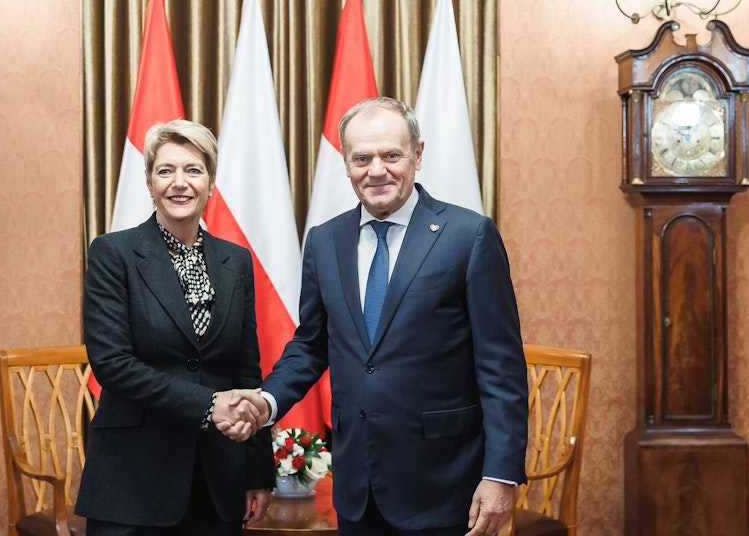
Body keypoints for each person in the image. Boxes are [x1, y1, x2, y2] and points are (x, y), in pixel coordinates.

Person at [223, 97, 529, 536]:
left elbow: (501, 367)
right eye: (362, 158)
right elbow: (311, 345)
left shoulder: (469, 236)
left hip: (446, 485)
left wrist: (500, 474)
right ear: (346, 163)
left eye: (391, 155)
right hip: (358, 487)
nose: (377, 170)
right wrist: (266, 401)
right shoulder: (325, 241)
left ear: (418, 154)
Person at [75, 119, 273, 536]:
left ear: (210, 183)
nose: (179, 182)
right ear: (149, 182)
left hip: (216, 480)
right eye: (165, 170)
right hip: (132, 480)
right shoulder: (114, 253)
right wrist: (209, 404)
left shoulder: (236, 261)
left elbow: (246, 372)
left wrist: (257, 469)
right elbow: (112, 364)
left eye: (193, 170)